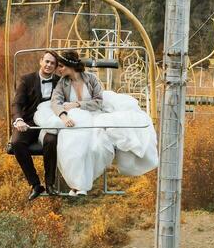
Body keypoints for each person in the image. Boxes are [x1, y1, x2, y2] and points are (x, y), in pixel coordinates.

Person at [33, 51, 159, 194]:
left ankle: (83, 182)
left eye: (61, 66)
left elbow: (98, 102)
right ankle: (78, 185)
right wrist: (63, 116)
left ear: (70, 66)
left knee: (97, 146)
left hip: (94, 114)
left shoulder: (91, 79)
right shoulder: (63, 83)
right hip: (76, 118)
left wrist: (77, 104)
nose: (58, 69)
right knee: (74, 146)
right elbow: (56, 102)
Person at [8, 50, 61, 200]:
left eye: (52, 63)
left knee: (51, 141)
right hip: (29, 122)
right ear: (41, 61)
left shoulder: (59, 82)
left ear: (56, 67)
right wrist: (18, 120)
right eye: (47, 61)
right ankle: (35, 184)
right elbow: (17, 103)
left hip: (48, 122)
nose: (49, 65)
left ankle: (50, 183)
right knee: (17, 143)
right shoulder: (26, 80)